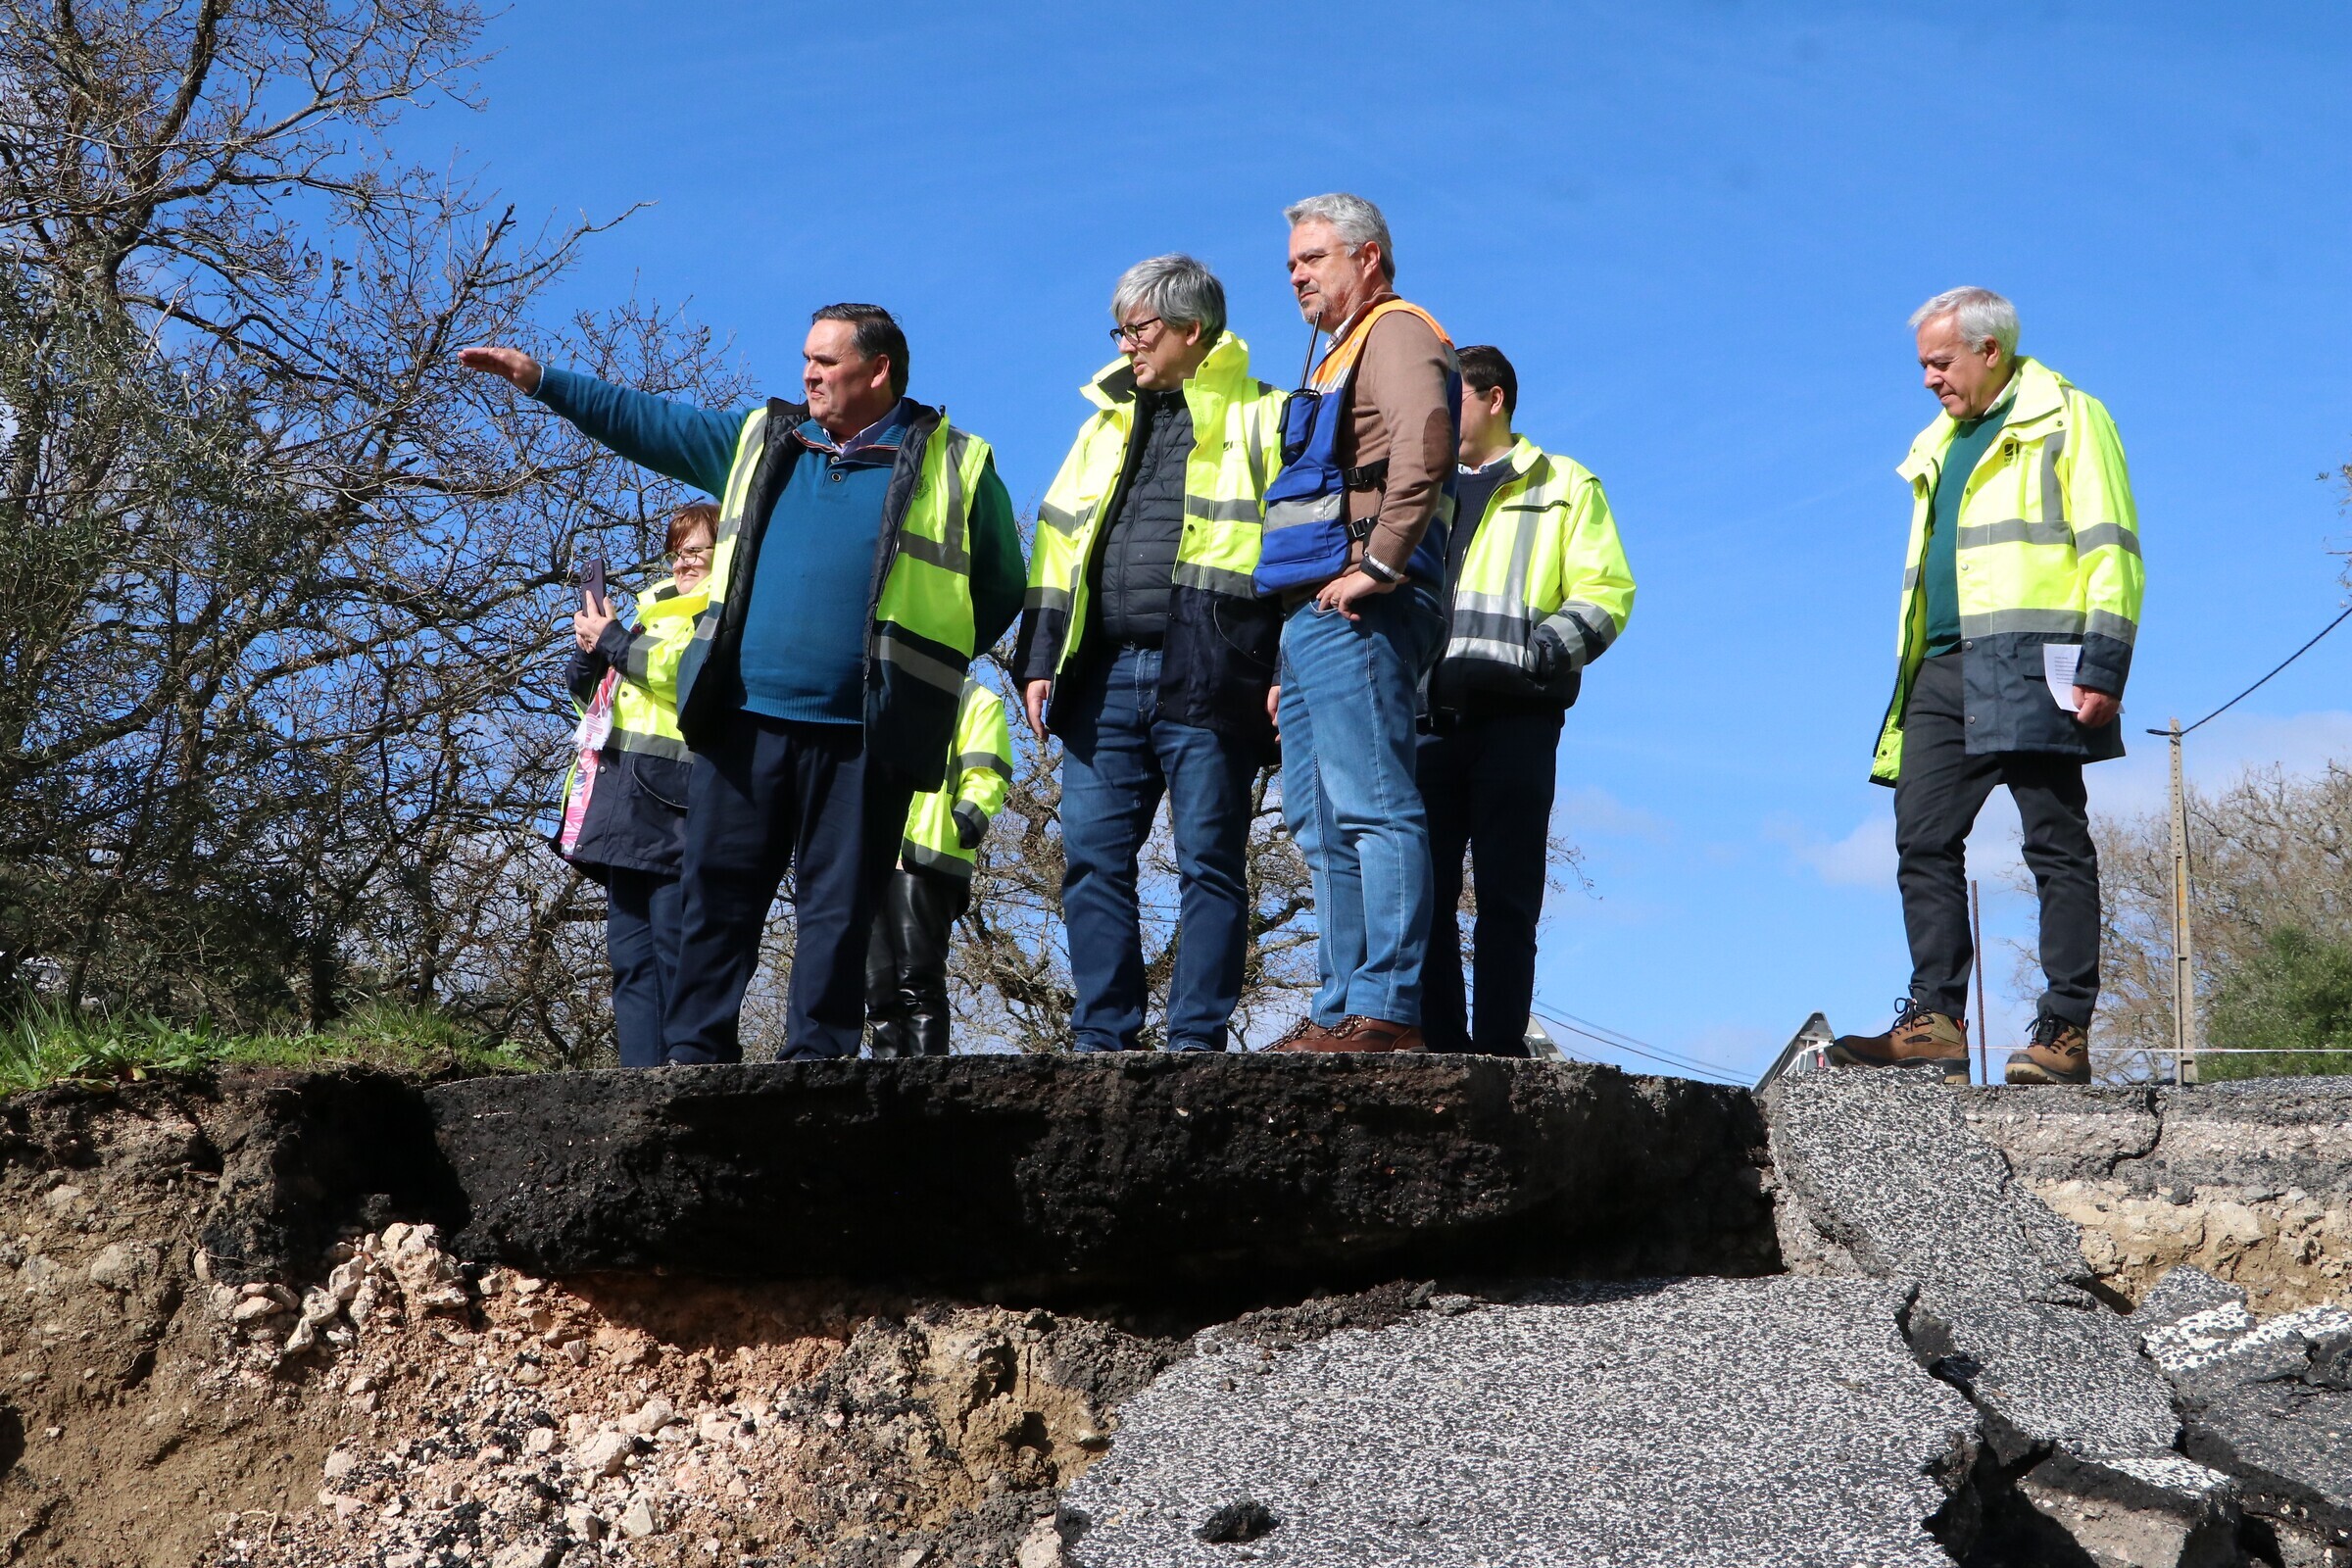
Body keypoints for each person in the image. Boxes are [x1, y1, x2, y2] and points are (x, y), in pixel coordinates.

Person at [459, 307, 1024, 1063]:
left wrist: (910, 668)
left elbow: (999, 588)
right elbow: (654, 425)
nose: (809, 374)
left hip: (866, 734)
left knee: (838, 911)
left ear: (879, 369)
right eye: (806, 359)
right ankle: (695, 1060)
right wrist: (543, 381)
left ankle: (816, 1067)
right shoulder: (764, 440)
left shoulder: (957, 461)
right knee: (716, 898)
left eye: (826, 361)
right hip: (743, 719)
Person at [1830, 287, 2143, 1088]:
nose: (1928, 380)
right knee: (1921, 836)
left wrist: (2105, 661)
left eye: (1940, 363)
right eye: (1924, 365)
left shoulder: (2070, 416)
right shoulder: (1935, 441)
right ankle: (1935, 1021)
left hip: (2037, 659)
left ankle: (2064, 1033)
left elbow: (2112, 545)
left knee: (2054, 842)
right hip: (1939, 666)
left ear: (1989, 350)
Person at [1014, 255, 1285, 1052]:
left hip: (1212, 669)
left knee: (1209, 861)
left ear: (1191, 330)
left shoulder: (1267, 416)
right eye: (1121, 330)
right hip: (1100, 673)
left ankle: (1195, 1041)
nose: (1127, 344)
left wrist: (1283, 669)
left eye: (1139, 328)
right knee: (1091, 863)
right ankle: (1102, 1037)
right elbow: (1056, 547)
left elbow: (1298, 553)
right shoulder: (1099, 426)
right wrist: (1039, 657)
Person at [1254, 193, 1458, 1054]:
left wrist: (1379, 564)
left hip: (1365, 603)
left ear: (1367, 257)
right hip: (1312, 616)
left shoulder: (1398, 332)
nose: (1297, 275)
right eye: (1292, 263)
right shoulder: (1337, 351)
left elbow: (1426, 444)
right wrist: (1287, 658)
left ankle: (1389, 1009)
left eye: (1314, 259)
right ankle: (1340, 1009)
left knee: (1373, 806)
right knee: (1319, 819)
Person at [1418, 347, 1636, 1056]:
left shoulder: (1566, 483)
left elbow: (1607, 593)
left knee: (1508, 900)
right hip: (1423, 724)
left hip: (1517, 721)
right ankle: (1442, 1052)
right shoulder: (1419, 484)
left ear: (1495, 399)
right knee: (1420, 899)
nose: (1437, 413)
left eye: (1452, 398)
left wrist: (1540, 653)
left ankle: (1500, 1054)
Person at [557, 504, 715, 1066]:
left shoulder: (721, 612)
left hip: (679, 805)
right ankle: (640, 1080)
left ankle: (689, 1071)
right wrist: (591, 652)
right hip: (622, 804)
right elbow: (594, 699)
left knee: (676, 952)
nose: (683, 562)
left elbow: (685, 676)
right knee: (630, 960)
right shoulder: (650, 615)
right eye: (676, 552)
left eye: (695, 550)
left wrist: (616, 640)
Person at [865, 678, 1011, 1057]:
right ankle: (885, 1086)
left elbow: (988, 772)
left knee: (919, 982)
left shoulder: (975, 697)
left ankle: (924, 1082)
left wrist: (966, 820)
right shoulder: (873, 684)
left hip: (926, 854)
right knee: (878, 994)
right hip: (867, 852)